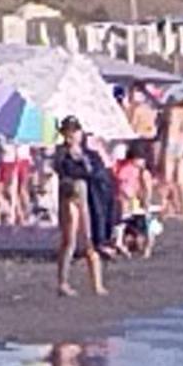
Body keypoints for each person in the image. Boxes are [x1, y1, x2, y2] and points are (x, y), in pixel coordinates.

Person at [53, 117, 112, 295]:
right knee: (69, 239)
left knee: (89, 240)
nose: (72, 134)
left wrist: (85, 165)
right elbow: (65, 170)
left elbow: (97, 173)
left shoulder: (89, 154)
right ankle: (63, 283)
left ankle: (97, 284)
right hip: (69, 195)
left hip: (86, 195)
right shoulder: (62, 152)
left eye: (75, 131)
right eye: (68, 131)